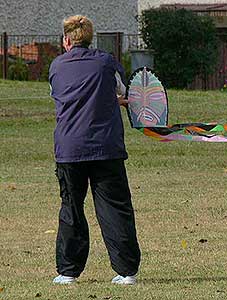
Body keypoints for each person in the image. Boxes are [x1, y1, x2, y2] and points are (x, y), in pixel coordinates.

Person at [49, 15, 141, 285]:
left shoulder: (56, 66)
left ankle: (67, 272)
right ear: (90, 38)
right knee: (114, 207)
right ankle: (126, 271)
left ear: (66, 40)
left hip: (69, 149)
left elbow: (60, 94)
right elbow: (122, 91)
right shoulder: (106, 62)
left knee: (71, 208)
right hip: (105, 147)